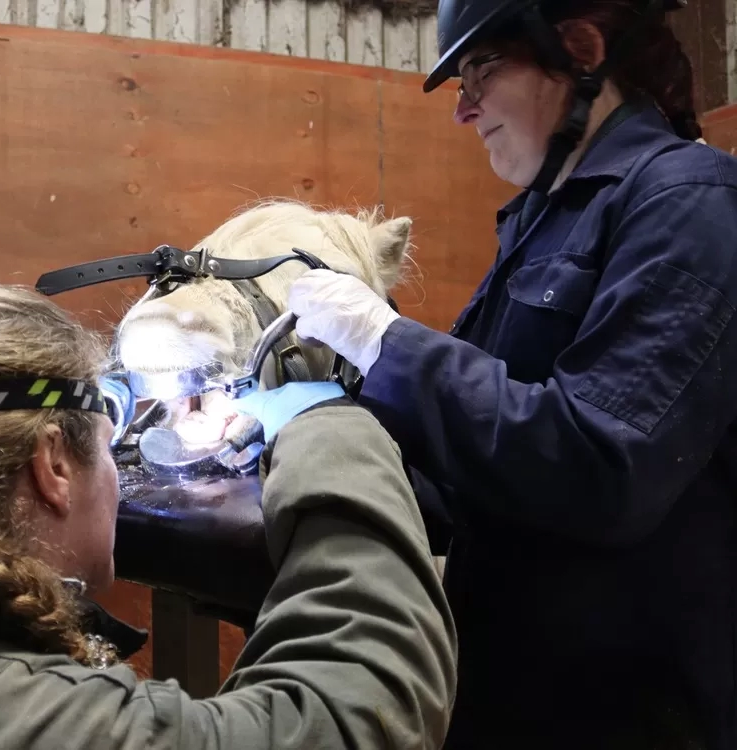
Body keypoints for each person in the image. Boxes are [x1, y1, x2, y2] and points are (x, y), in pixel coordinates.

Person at [285, 0, 737, 748]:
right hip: (512, 681)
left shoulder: (692, 204)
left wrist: (386, 342)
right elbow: (486, 458)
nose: (463, 110)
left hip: (630, 707)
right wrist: (309, 436)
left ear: (582, 50)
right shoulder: (540, 219)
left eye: (482, 71)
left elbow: (601, 465)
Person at [0, 281, 457, 749]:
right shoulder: (28, 725)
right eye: (109, 444)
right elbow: (354, 714)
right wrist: (326, 426)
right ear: (52, 467)